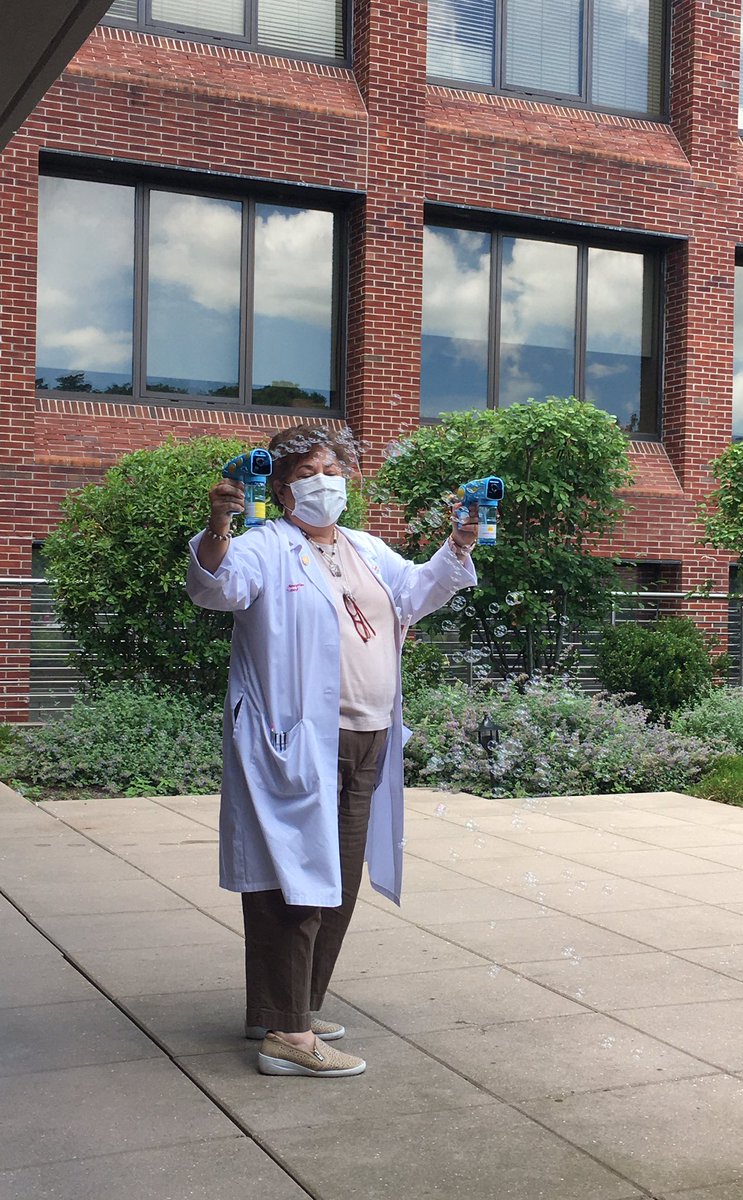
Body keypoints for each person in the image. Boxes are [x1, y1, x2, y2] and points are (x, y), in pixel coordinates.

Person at [186, 424, 477, 1078]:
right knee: (292, 883)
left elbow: (417, 594)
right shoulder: (265, 546)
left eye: (333, 471)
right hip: (295, 742)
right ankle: (289, 1038)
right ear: (281, 488)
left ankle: (285, 1010)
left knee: (338, 882)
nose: (326, 483)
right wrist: (219, 522)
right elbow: (215, 587)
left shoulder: (365, 548)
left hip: (368, 737)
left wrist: (458, 543)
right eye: (309, 473)